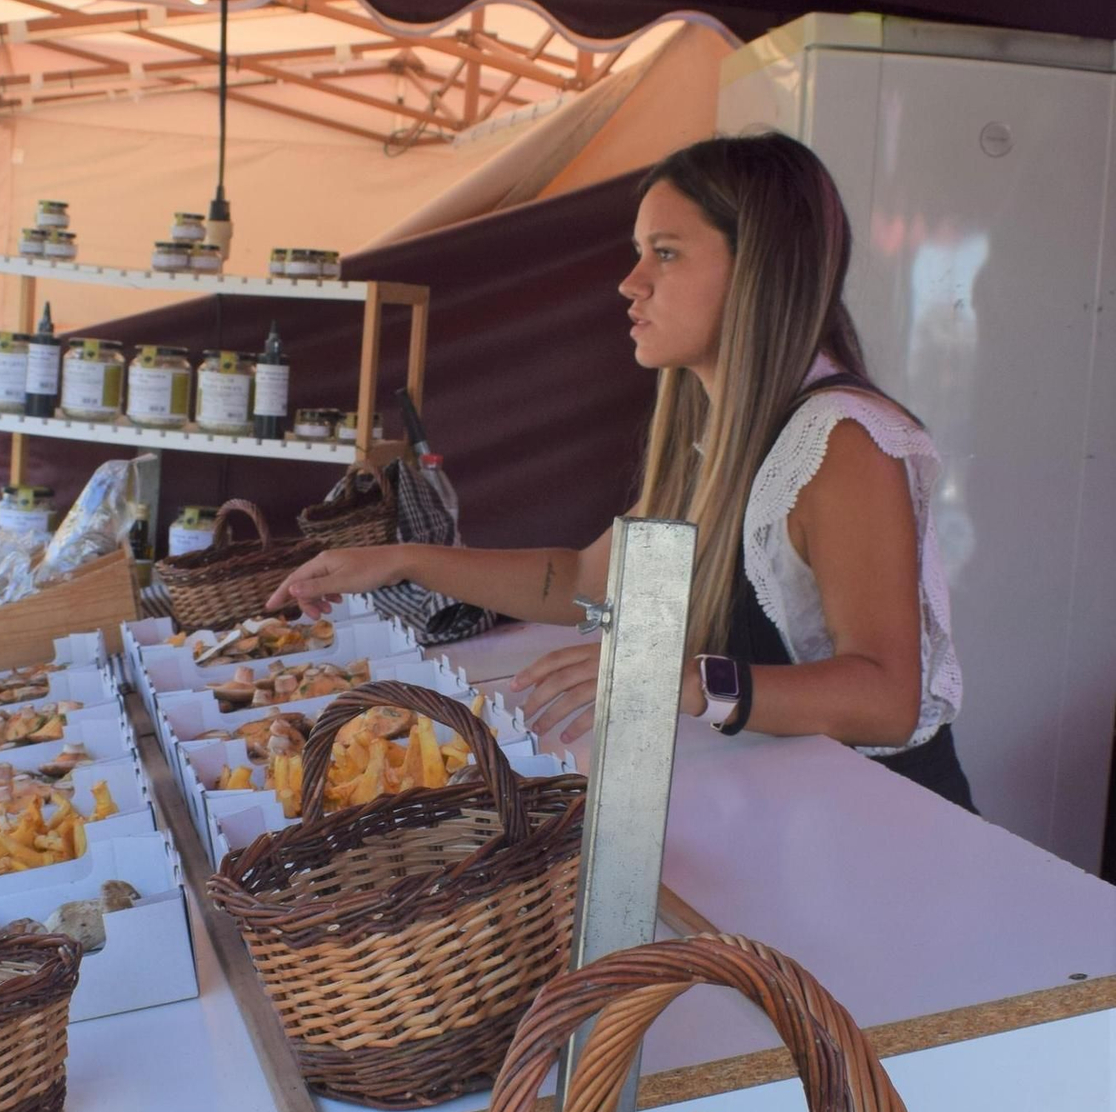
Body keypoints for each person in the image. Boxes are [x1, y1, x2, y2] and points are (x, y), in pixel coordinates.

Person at [271, 132, 974, 809]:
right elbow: (582, 582)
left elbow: (886, 699)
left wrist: (685, 680)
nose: (629, 283)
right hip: (799, 810)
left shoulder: (843, 439)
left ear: (760, 270)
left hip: (890, 826)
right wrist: (401, 561)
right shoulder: (719, 431)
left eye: (664, 254)